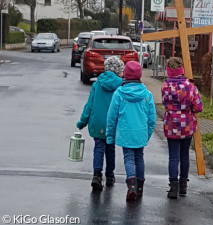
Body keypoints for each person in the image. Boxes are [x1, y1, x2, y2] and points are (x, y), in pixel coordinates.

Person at [106, 61, 156, 201]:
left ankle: (131, 185)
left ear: (126, 75)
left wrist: (110, 136)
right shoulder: (147, 94)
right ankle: (140, 186)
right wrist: (147, 134)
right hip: (140, 133)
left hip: (125, 133)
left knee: (128, 158)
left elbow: (111, 117)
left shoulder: (119, 94)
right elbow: (152, 119)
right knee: (139, 158)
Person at [77, 56, 124, 191]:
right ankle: (110, 175)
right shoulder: (120, 85)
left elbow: (89, 105)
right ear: (118, 71)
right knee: (110, 149)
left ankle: (97, 175)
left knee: (98, 148)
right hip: (113, 124)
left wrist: (82, 122)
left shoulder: (97, 84)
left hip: (97, 122)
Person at [161, 57, 203, 199]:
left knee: (173, 156)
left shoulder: (165, 86)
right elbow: (199, 107)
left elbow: (164, 103)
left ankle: (173, 186)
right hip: (187, 126)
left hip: (171, 124)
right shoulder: (190, 86)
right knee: (184, 155)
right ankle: (183, 185)